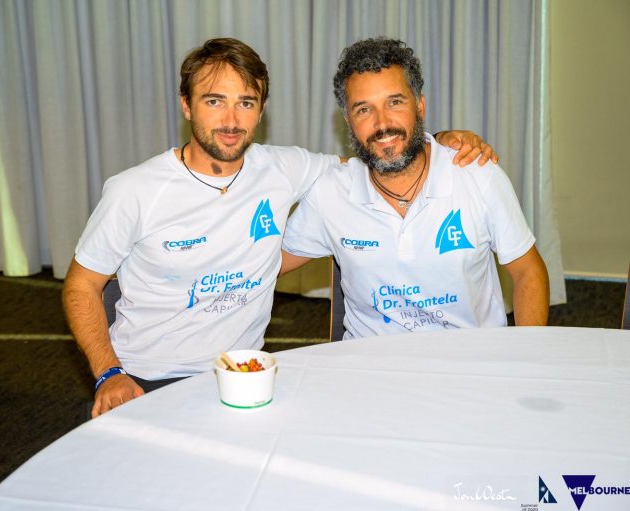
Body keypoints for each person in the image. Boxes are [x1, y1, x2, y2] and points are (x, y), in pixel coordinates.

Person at [63, 37, 497, 417]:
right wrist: (109, 373)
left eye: (245, 103)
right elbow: (82, 285)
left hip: (242, 373)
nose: (231, 120)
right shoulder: (134, 190)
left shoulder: (284, 168)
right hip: (144, 376)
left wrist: (440, 141)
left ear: (261, 111)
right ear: (186, 105)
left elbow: (377, 157)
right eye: (215, 101)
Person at [281, 37, 549, 339]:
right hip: (370, 371)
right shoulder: (331, 193)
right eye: (364, 110)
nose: (382, 124)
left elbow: (529, 273)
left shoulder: (477, 175)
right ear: (348, 120)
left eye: (395, 102)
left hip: (472, 367)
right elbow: (263, 266)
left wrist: (527, 356)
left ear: (419, 105)